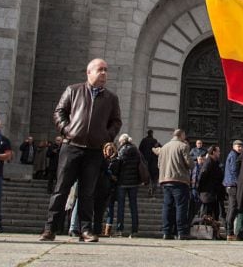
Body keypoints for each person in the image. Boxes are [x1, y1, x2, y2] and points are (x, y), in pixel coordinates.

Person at [39, 59, 123, 242]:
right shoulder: (73, 90)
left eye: (106, 70)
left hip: (94, 150)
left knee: (88, 192)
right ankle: (50, 228)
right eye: (100, 70)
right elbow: (59, 112)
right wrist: (67, 130)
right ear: (89, 72)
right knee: (61, 189)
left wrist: (106, 136)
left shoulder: (111, 98)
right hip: (71, 147)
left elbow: (116, 121)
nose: (104, 74)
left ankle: (85, 230)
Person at [157, 128, 193, 239]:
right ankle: (181, 232)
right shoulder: (183, 146)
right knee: (181, 206)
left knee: (167, 206)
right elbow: (190, 164)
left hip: (166, 180)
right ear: (181, 135)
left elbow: (159, 165)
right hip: (180, 180)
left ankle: (166, 232)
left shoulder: (164, 147)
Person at [114, 133, 142, 237]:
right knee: (133, 206)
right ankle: (134, 230)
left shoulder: (121, 151)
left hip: (122, 182)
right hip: (134, 183)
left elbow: (117, 166)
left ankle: (119, 230)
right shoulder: (136, 151)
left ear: (122, 141)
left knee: (121, 207)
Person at [223, 139, 243, 240]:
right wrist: (239, 183)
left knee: (232, 207)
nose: (240, 148)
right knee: (233, 207)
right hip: (233, 185)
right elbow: (234, 170)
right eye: (238, 146)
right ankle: (229, 232)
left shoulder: (233, 154)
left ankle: (228, 230)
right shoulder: (234, 155)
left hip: (230, 184)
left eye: (241, 146)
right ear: (233, 146)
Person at [197, 144, 225, 219]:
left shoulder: (215, 162)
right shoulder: (208, 162)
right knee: (206, 217)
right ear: (213, 152)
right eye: (218, 151)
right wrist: (200, 189)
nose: (219, 153)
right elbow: (202, 176)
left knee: (214, 216)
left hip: (213, 194)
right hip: (207, 194)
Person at [139, 130, 162, 195]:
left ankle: (148, 185)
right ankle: (151, 189)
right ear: (152, 133)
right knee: (154, 177)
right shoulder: (154, 141)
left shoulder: (144, 140)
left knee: (148, 174)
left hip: (146, 160)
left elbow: (140, 149)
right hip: (153, 162)